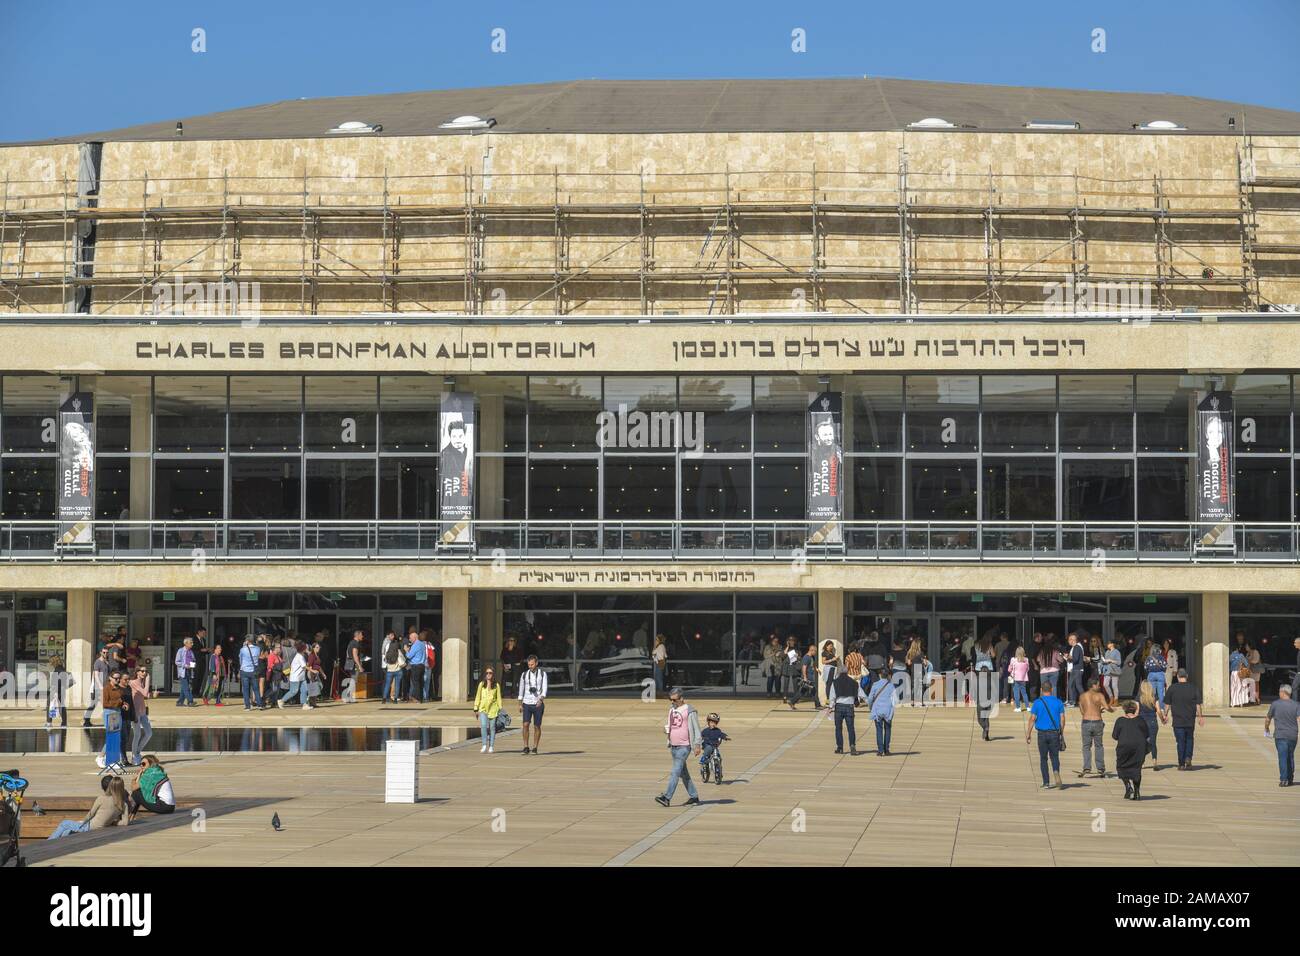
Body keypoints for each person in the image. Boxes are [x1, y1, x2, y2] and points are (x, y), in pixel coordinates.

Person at [655, 687, 701, 807]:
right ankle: (694, 796)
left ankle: (667, 797)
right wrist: (668, 733)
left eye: (674, 700)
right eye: (671, 700)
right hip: (673, 746)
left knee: (675, 772)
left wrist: (697, 745)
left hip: (684, 747)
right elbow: (671, 724)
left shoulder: (689, 710)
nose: (672, 702)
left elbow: (696, 729)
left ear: (681, 698)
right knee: (683, 773)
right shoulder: (672, 709)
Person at [47, 777, 130, 839]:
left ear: (110, 786)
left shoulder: (102, 798)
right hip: (101, 827)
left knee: (64, 823)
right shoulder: (124, 804)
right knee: (67, 832)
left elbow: (90, 815)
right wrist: (113, 822)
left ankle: (48, 842)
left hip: (90, 827)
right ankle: (55, 843)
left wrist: (82, 823)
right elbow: (125, 822)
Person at [1026, 681, 1066, 789]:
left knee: (1043, 758)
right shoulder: (1058, 702)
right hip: (1054, 733)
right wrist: (1061, 731)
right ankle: (1056, 771)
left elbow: (1032, 719)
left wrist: (1028, 733)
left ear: (1041, 690)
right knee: (1055, 757)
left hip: (1042, 734)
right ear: (1051, 689)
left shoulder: (1037, 702)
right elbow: (1062, 718)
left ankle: (1046, 782)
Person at [1161, 668, 1203, 770]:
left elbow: (1167, 704)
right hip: (1190, 719)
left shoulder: (1172, 688)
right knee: (1189, 739)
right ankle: (1188, 757)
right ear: (1187, 676)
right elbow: (1198, 704)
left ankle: (1181, 764)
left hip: (1178, 721)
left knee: (1180, 742)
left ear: (1178, 677)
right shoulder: (1194, 688)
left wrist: (1165, 715)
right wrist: (1200, 717)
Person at [1112, 700, 1151, 800]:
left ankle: (1128, 786)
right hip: (1139, 747)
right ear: (1134, 710)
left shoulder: (1120, 720)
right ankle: (1137, 792)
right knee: (1136, 769)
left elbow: (1115, 736)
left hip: (1124, 746)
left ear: (1124, 709)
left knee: (1121, 766)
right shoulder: (1140, 720)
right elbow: (1147, 734)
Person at [1075, 678, 1114, 779]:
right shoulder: (1099, 695)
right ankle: (1100, 768)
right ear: (1093, 685)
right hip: (1097, 722)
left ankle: (1087, 767)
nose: (1099, 686)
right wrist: (1112, 710)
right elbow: (1106, 707)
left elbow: (1082, 711)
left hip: (1086, 722)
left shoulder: (1082, 696)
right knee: (1098, 746)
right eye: (1097, 685)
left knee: (1086, 746)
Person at [1264, 684, 1298, 787]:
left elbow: (1268, 718)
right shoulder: (1296, 705)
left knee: (1282, 757)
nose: (1279, 693)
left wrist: (1266, 728)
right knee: (1290, 756)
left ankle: (1284, 779)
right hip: (1293, 735)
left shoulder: (1275, 704)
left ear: (1283, 693)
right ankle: (1290, 778)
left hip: (1280, 735)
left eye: (1279, 692)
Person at [829, 669, 868, 754]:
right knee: (851, 728)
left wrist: (830, 707)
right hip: (849, 707)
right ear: (847, 673)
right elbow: (863, 695)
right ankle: (852, 746)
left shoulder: (835, 682)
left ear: (839, 673)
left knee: (838, 728)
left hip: (839, 706)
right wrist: (870, 704)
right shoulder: (854, 683)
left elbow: (832, 696)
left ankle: (840, 748)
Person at [128, 755, 177, 820]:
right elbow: (141, 788)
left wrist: (133, 779)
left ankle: (129, 817)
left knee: (136, 793)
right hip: (170, 807)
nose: (141, 766)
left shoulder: (149, 775)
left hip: (165, 807)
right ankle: (130, 817)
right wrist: (140, 775)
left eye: (143, 764)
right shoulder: (157, 772)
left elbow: (133, 788)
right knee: (139, 793)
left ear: (151, 764)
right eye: (140, 764)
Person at [518, 654, 548, 755]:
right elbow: (521, 688)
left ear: (536, 663)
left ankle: (535, 747)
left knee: (537, 726)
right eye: (529, 664)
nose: (530, 666)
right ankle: (526, 746)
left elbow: (544, 688)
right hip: (527, 702)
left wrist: (541, 699)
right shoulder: (524, 675)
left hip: (537, 703)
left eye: (532, 664)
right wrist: (520, 703)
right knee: (525, 724)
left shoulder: (542, 674)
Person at [127, 665, 154, 765]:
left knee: (149, 733)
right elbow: (144, 692)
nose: (144, 673)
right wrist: (148, 680)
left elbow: (146, 695)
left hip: (142, 711)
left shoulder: (141, 682)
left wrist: (152, 695)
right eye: (142, 671)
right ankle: (135, 756)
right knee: (137, 734)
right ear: (137, 672)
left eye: (146, 671)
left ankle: (137, 752)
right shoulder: (133, 682)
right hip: (135, 712)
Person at [472, 666, 502, 754]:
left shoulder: (496, 685)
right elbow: (478, 696)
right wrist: (475, 708)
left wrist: (500, 708)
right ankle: (484, 744)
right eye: (487, 673)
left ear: (493, 674)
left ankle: (491, 746)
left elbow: (499, 698)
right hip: (483, 708)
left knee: (492, 728)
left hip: (493, 709)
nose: (488, 675)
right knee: (484, 726)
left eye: (490, 673)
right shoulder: (481, 684)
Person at [866, 669, 897, 756]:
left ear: (880, 675)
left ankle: (880, 750)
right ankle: (886, 749)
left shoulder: (875, 685)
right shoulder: (891, 686)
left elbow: (870, 699)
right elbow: (895, 700)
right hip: (888, 710)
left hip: (877, 710)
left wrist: (871, 707)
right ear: (888, 676)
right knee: (888, 729)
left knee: (879, 730)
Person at [276, 642, 312, 710]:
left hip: (301, 677)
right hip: (296, 677)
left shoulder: (301, 656)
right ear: (303, 649)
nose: (306, 649)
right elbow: (304, 666)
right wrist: (312, 670)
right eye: (305, 648)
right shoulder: (299, 656)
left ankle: (304, 704)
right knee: (294, 691)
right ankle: (281, 701)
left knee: (304, 690)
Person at [1138, 680, 1163, 771]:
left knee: (1142, 742)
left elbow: (1136, 712)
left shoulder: (1139, 697)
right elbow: (1159, 710)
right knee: (1153, 742)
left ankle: (1142, 763)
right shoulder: (1154, 697)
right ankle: (1155, 762)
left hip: (1142, 722)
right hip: (1152, 721)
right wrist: (1162, 719)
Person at [82, 647, 110, 727]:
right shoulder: (97, 662)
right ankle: (86, 720)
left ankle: (87, 719)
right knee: (94, 704)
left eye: (107, 652)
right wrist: (100, 686)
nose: (105, 654)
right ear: (101, 652)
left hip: (105, 686)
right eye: (104, 652)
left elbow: (108, 675)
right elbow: (96, 675)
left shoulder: (106, 663)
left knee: (103, 704)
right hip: (98, 687)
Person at [699, 712, 730, 783]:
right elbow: (701, 735)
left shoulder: (717, 730)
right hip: (707, 745)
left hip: (715, 746)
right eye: (711, 722)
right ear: (708, 722)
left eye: (715, 723)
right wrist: (701, 738)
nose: (713, 724)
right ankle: (704, 758)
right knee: (708, 749)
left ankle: (719, 771)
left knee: (719, 757)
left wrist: (725, 737)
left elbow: (721, 734)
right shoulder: (705, 731)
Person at [45, 655, 74, 730]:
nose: (50, 663)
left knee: (50, 705)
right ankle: (64, 722)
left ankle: (49, 722)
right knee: (62, 706)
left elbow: (55, 682)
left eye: (51, 662)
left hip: (56, 691)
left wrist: (53, 690)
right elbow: (69, 682)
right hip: (62, 690)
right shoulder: (62, 668)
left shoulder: (57, 670)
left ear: (53, 662)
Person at [788, 642, 817, 710]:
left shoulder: (811, 657)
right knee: (814, 690)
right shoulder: (806, 657)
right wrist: (805, 677)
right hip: (808, 677)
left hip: (810, 676)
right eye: (815, 651)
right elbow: (804, 667)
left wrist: (817, 669)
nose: (815, 652)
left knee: (803, 691)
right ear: (811, 650)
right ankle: (817, 705)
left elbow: (812, 665)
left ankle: (792, 701)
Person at [237, 635, 262, 710]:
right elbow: (257, 658)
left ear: (247, 641)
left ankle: (247, 706)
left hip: (244, 670)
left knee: (245, 689)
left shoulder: (243, 649)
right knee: (256, 688)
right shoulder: (258, 649)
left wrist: (244, 646)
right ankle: (259, 704)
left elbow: (240, 659)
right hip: (254, 670)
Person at [381, 630, 405, 702]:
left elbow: (384, 654)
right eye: (392, 635)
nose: (393, 636)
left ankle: (384, 698)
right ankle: (395, 698)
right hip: (397, 668)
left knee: (387, 684)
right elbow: (401, 655)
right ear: (388, 635)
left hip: (389, 668)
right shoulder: (396, 646)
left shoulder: (386, 644)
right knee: (397, 684)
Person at [404, 627, 427, 703]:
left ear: (415, 638)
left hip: (416, 666)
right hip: (422, 665)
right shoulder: (422, 644)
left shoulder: (415, 645)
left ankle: (416, 698)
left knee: (415, 682)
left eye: (410, 638)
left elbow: (409, 656)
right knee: (420, 682)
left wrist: (406, 650)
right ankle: (420, 698)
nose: (410, 640)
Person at [1143, 640, 1168, 707]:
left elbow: (1145, 667)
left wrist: (1150, 669)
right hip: (1160, 674)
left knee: (1152, 692)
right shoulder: (1162, 657)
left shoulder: (1149, 658)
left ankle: (1153, 706)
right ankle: (1161, 707)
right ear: (1159, 650)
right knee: (1161, 692)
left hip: (1151, 674)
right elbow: (1165, 666)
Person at [1036, 639, 1062, 703]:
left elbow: (1038, 660)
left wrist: (1042, 664)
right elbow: (1061, 660)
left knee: (1043, 686)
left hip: (1043, 671)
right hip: (1054, 671)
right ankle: (1053, 701)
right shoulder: (1055, 651)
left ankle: (1042, 701)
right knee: (1053, 686)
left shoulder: (1041, 652)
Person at [1065, 633, 1085, 706]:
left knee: (1074, 686)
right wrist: (1069, 657)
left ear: (1073, 640)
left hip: (1077, 669)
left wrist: (1068, 658)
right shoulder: (1076, 647)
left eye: (1070, 639)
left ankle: (1075, 701)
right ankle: (1073, 701)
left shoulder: (1076, 647)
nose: (1068, 641)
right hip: (1077, 669)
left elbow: (1075, 659)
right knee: (1075, 686)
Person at [1008, 647, 1031, 712]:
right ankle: (1028, 707)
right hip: (1023, 678)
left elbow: (1009, 669)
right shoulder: (1026, 659)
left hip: (1015, 678)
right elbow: (1028, 669)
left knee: (1016, 693)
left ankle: (1018, 707)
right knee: (1024, 693)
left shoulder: (1013, 659)